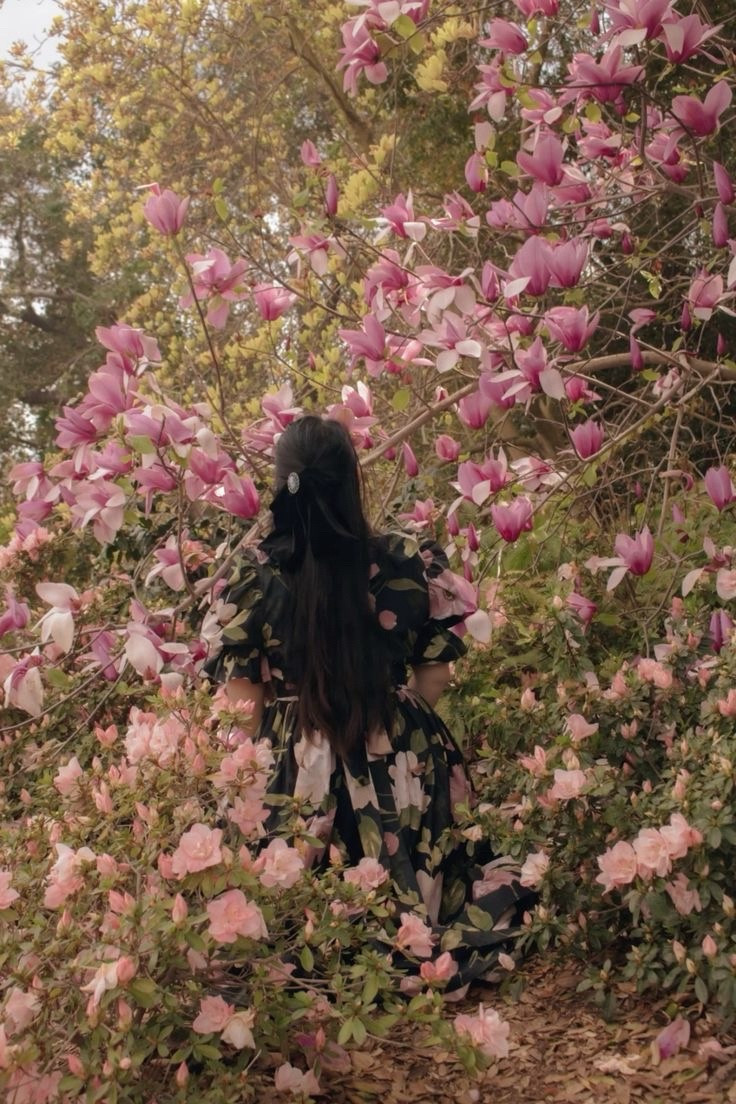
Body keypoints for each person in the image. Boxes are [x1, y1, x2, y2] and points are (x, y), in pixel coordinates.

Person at [204, 414, 535, 993]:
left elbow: (244, 710)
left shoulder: (253, 577)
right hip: (397, 752)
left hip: (295, 762)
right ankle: (408, 908)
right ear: (352, 481)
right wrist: (392, 716)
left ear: (282, 485)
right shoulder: (406, 560)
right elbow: (434, 676)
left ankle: (306, 932)